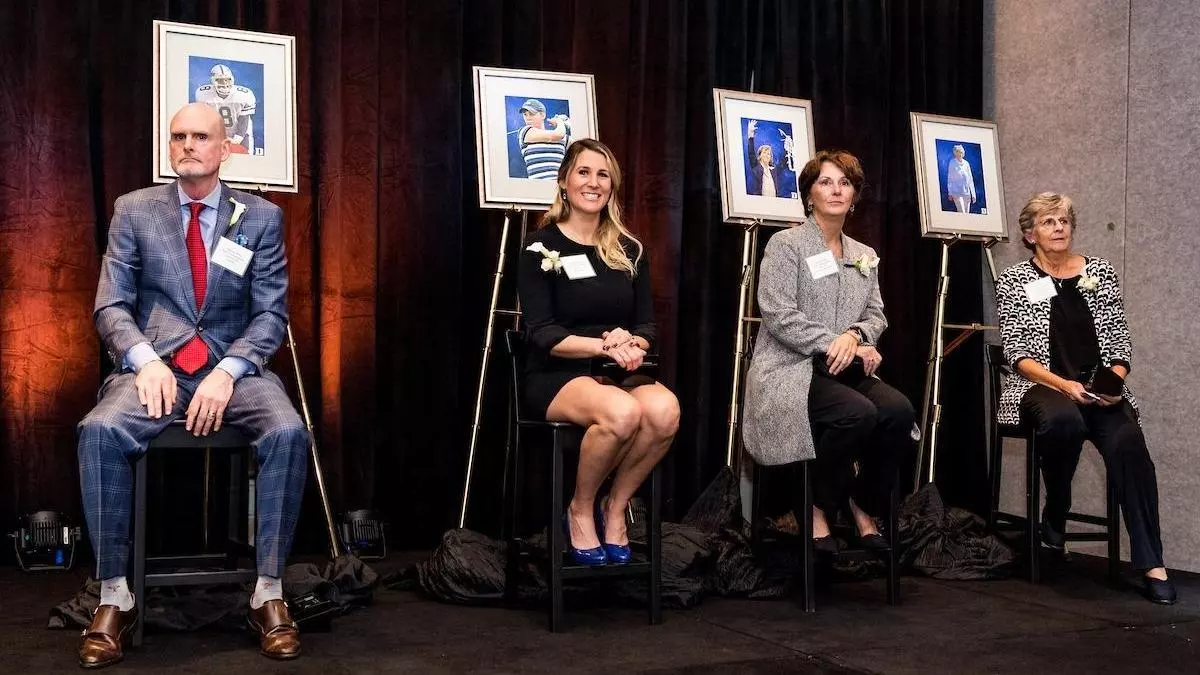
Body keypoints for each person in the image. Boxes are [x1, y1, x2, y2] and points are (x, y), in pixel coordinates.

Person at [75, 103, 308, 668]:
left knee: (288, 431)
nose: (186, 145)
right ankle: (115, 596)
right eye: (178, 135)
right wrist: (143, 359)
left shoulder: (259, 217)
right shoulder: (133, 211)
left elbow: (270, 315)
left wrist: (229, 371)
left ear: (225, 148)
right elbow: (111, 305)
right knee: (99, 430)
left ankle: (267, 591)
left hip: (233, 368)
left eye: (200, 136)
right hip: (156, 368)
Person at [995, 192, 1176, 604]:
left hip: (1097, 389)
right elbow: (1017, 353)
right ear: (1029, 235)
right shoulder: (1014, 280)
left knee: (1130, 444)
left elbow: (1119, 341)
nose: (1059, 228)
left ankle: (1151, 561)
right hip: (1043, 386)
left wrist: (1112, 385)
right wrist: (1064, 385)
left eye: (1064, 221)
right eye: (1048, 222)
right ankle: (1056, 509)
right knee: (1064, 421)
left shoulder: (1099, 272)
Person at [742, 149, 913, 554]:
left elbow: (876, 315)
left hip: (844, 368)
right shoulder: (786, 245)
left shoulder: (863, 254)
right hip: (790, 369)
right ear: (809, 195)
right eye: (826, 182)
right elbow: (778, 313)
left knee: (898, 411)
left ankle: (855, 500)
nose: (836, 190)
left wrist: (855, 336)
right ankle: (815, 510)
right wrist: (832, 341)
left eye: (845, 183)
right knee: (856, 414)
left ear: (854, 196)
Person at [517, 138, 679, 567]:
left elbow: (648, 327)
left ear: (613, 185)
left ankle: (616, 505)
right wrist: (605, 344)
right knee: (622, 413)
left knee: (665, 410)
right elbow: (542, 332)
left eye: (602, 174)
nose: (593, 182)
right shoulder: (539, 247)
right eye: (583, 172)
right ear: (564, 181)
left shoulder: (630, 249)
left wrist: (633, 344)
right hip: (556, 373)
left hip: (619, 369)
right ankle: (580, 507)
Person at [195, 64, 257, 154]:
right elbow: (205, 120)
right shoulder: (204, 95)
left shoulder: (243, 96)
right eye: (220, 80)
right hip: (216, 133)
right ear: (213, 81)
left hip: (241, 133)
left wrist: (236, 140)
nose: (224, 83)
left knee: (246, 159)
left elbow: (244, 120)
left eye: (227, 80)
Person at [517, 98, 570, 180]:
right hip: (537, 188)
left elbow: (580, 148)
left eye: (531, 114)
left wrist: (570, 124)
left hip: (559, 188)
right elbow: (558, 134)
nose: (527, 118)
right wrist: (560, 122)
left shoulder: (563, 137)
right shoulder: (525, 132)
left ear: (543, 115)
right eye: (525, 114)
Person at [745, 119, 788, 197]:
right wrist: (750, 135)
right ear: (760, 155)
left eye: (768, 154)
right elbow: (751, 152)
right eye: (764, 152)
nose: (766, 155)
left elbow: (783, 162)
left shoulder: (774, 170)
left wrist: (787, 148)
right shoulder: (756, 167)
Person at [945, 144, 976, 213]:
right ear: (955, 153)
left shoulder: (966, 164)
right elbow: (950, 178)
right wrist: (950, 193)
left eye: (961, 152)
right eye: (957, 152)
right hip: (956, 192)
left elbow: (970, 179)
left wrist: (973, 194)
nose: (959, 154)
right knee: (962, 213)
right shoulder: (952, 163)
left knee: (967, 214)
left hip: (966, 193)